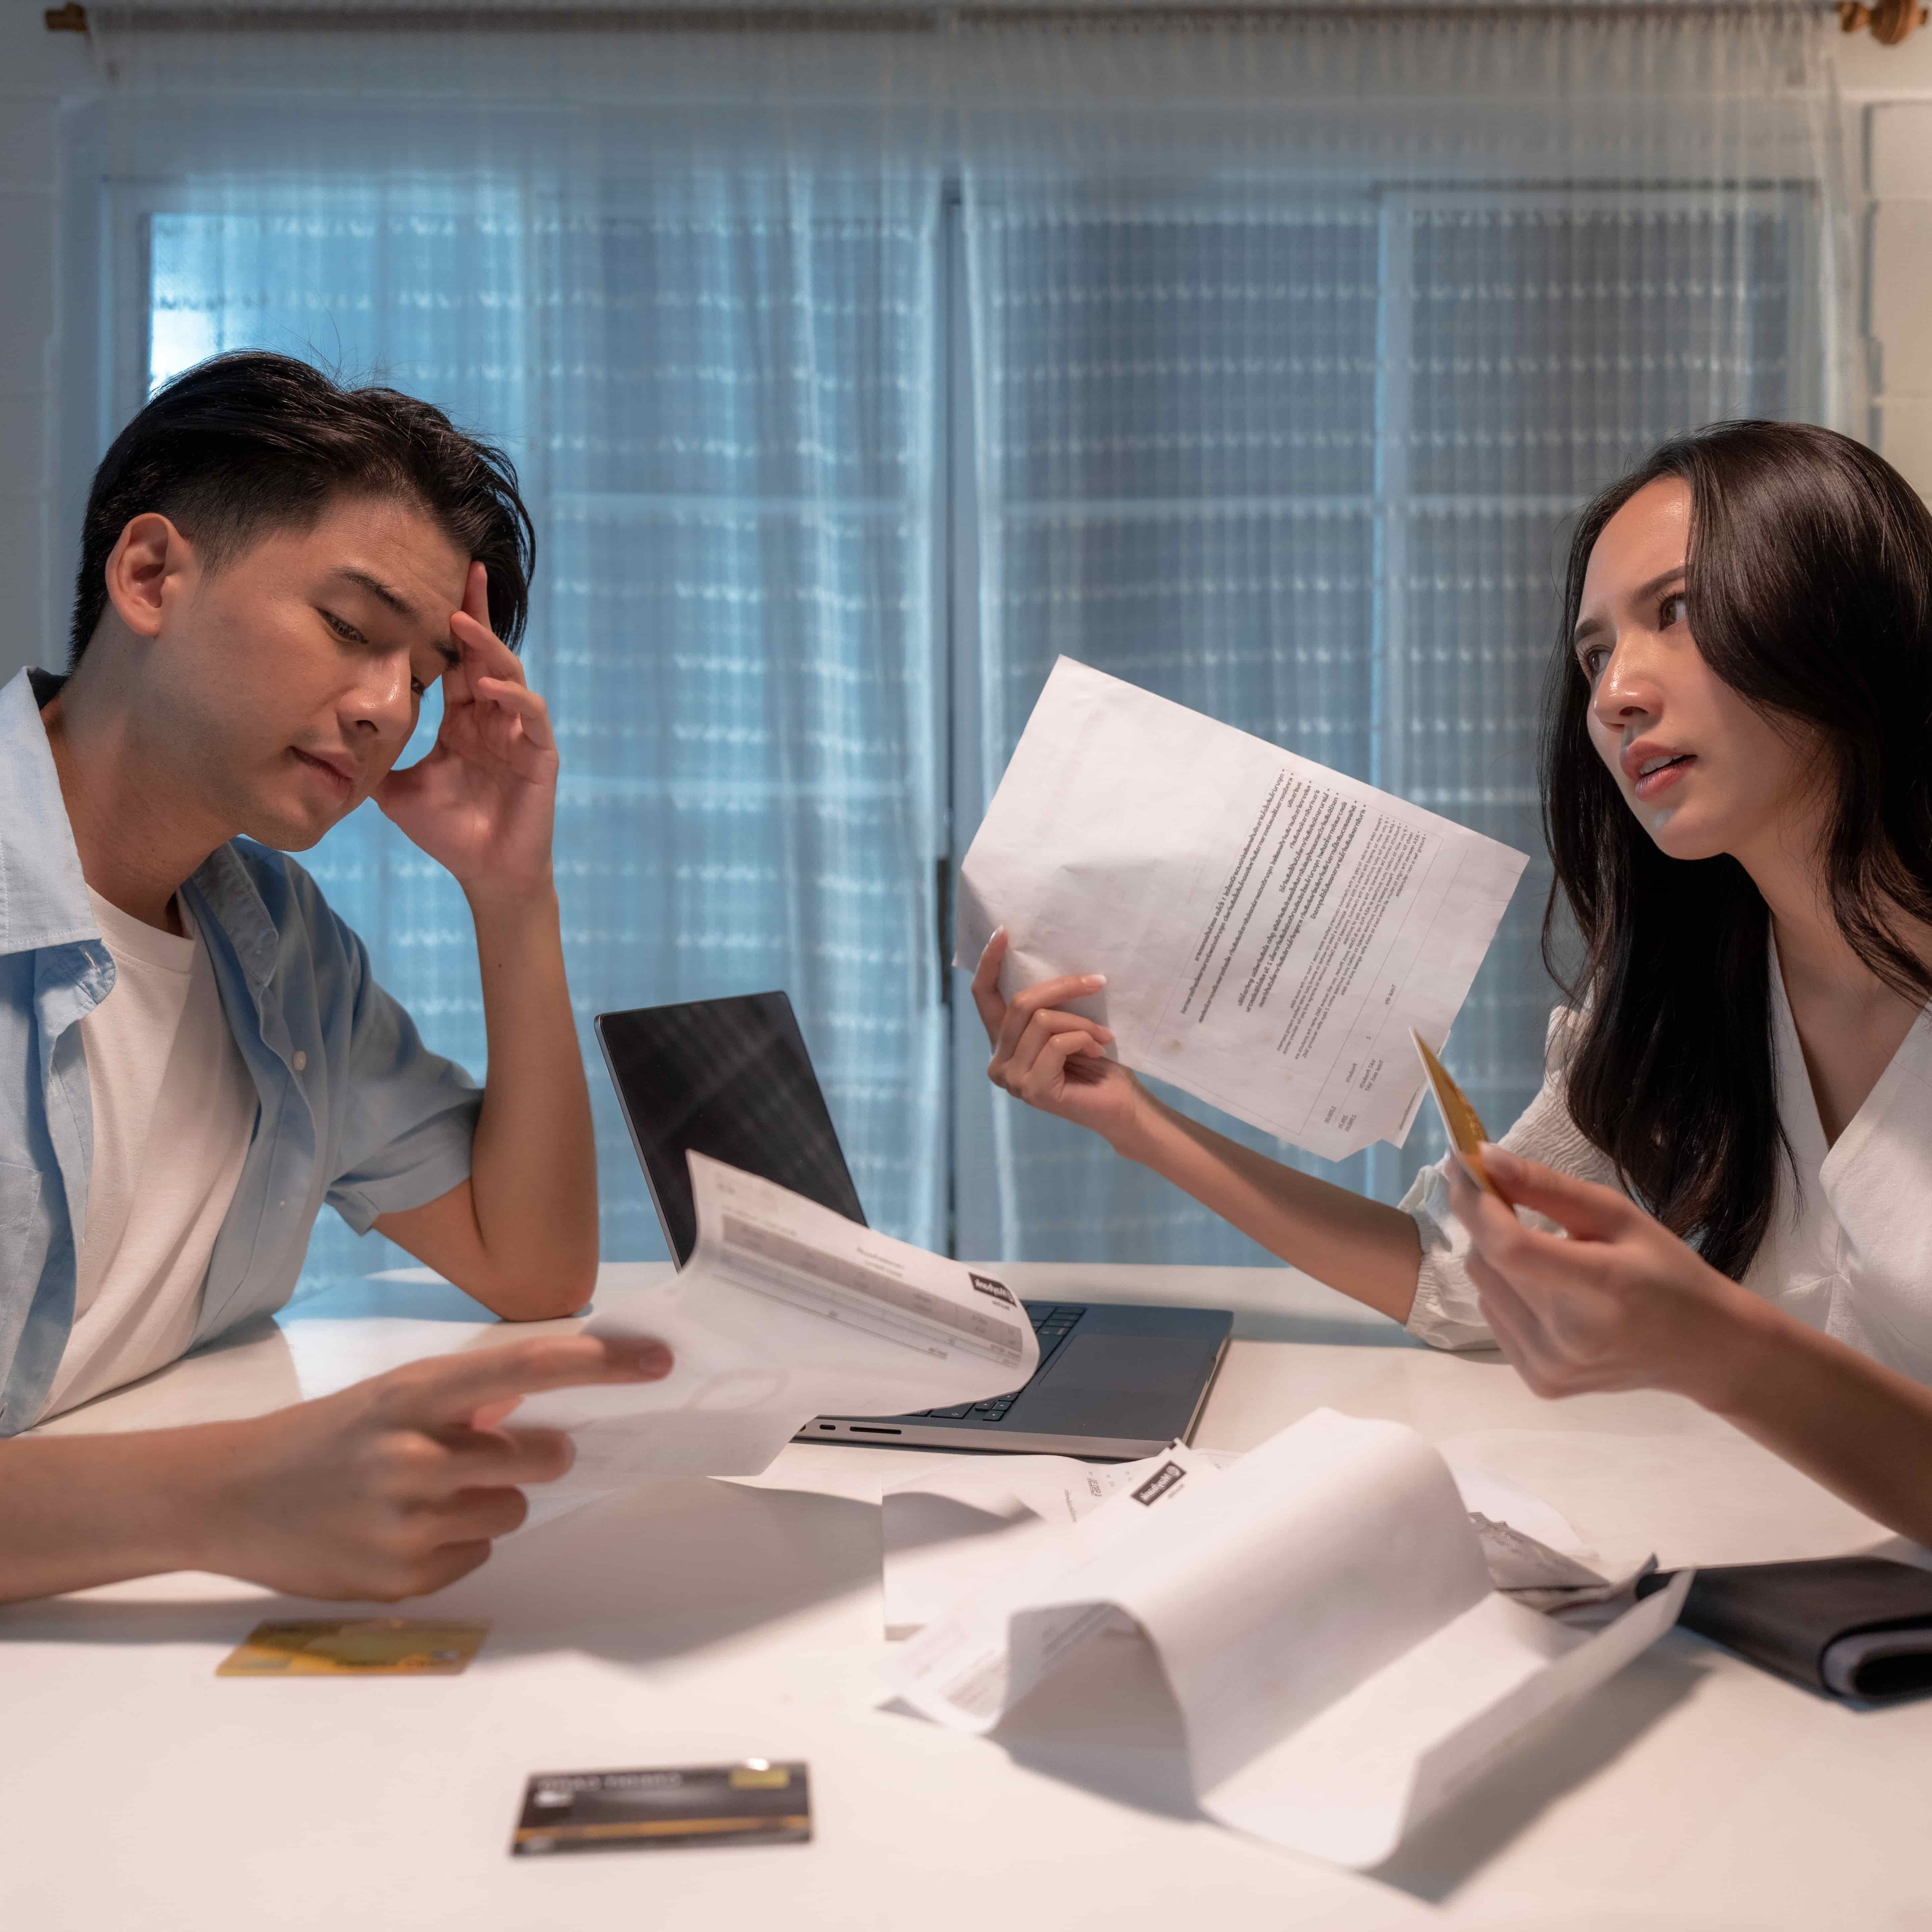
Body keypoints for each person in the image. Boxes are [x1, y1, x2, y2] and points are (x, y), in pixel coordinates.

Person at [973, 419, 1932, 1548]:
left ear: (1841, 611)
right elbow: (1457, 1279)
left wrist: (1720, 1347)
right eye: (1592, 656)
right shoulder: (1680, 1022)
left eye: (1675, 610)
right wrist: (1132, 1120)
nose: (1617, 692)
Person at [0, 352, 672, 1606]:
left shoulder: (276, 938)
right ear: (151, 576)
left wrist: (512, 895)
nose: (384, 711)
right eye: (352, 630)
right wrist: (223, 1497)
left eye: (421, 679)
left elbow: (530, 1269)